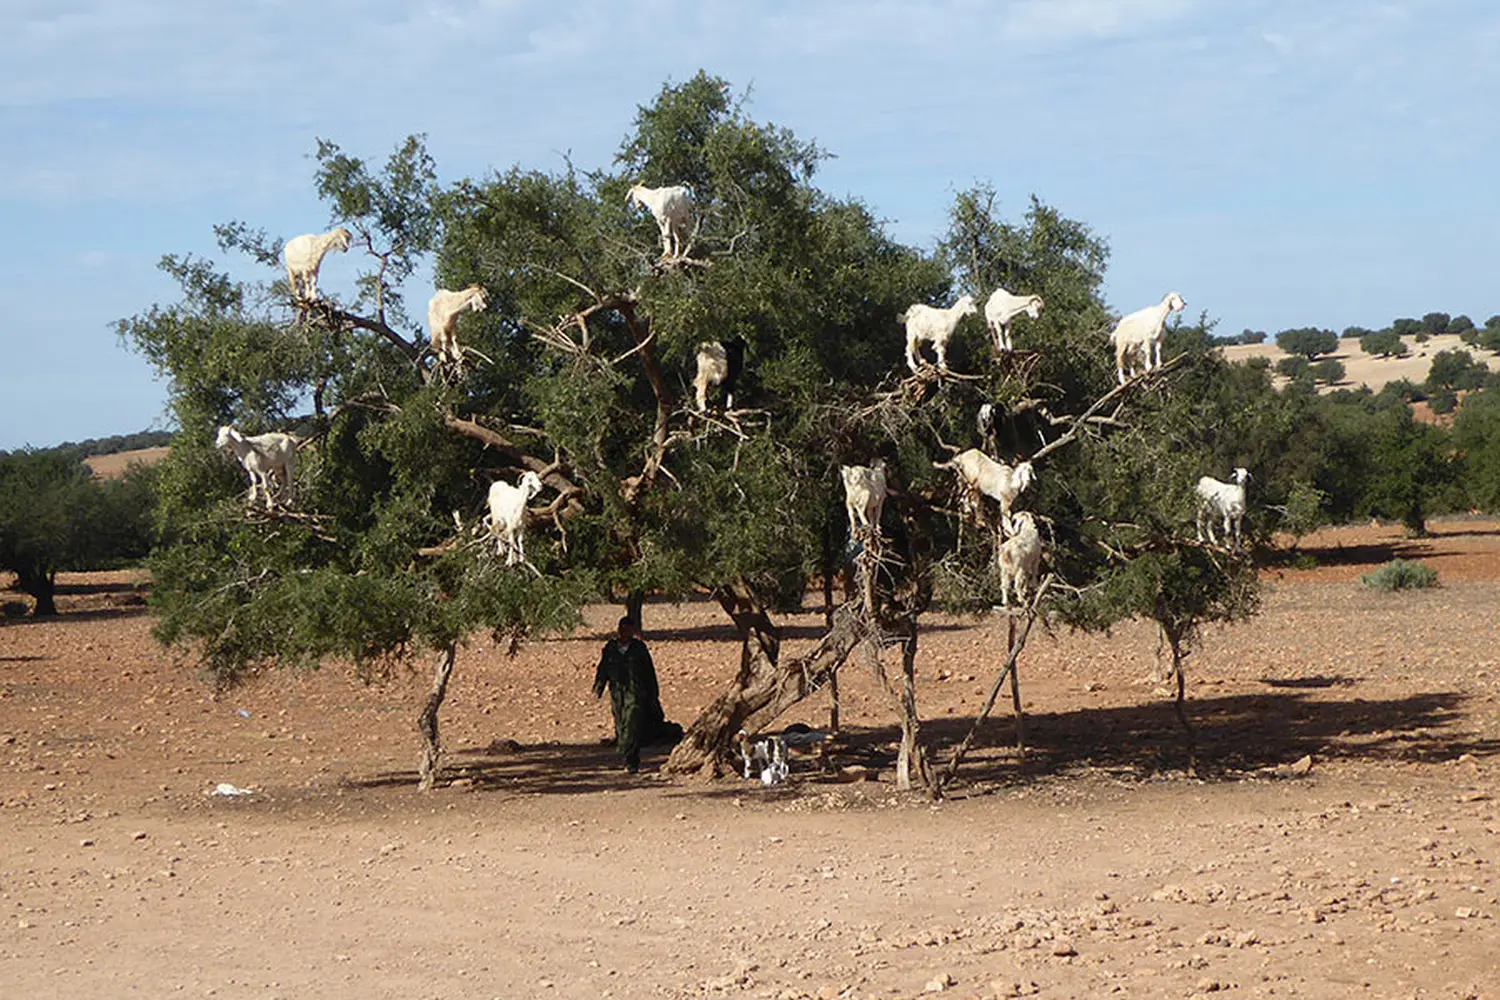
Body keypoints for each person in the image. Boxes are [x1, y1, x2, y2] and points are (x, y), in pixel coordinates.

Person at [592, 617, 668, 773]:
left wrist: (653, 696)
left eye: (628, 630)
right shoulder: (611, 648)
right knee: (621, 725)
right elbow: (603, 669)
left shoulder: (639, 649)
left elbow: (649, 673)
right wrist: (598, 688)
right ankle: (627, 757)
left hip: (635, 695)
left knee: (632, 725)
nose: (624, 633)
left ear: (633, 632)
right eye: (622, 629)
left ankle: (631, 760)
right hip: (617, 694)